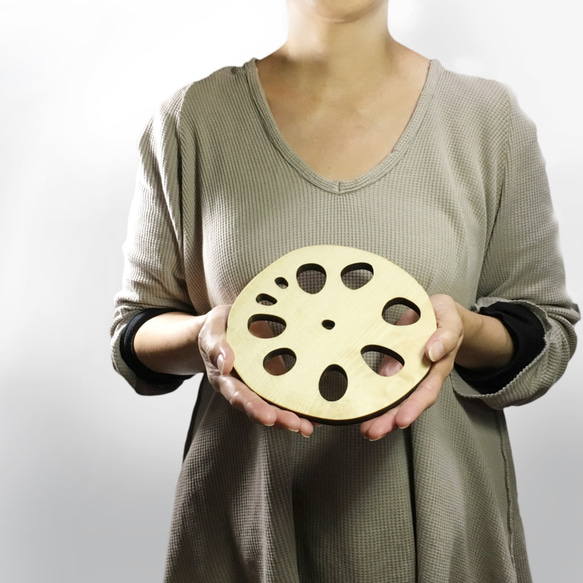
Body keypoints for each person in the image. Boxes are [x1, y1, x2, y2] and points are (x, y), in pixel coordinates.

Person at [111, 1, 579, 581]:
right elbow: (134, 331)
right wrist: (205, 337)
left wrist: (465, 330)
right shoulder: (190, 122)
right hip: (247, 528)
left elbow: (547, 330)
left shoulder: (489, 119)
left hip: (441, 530)